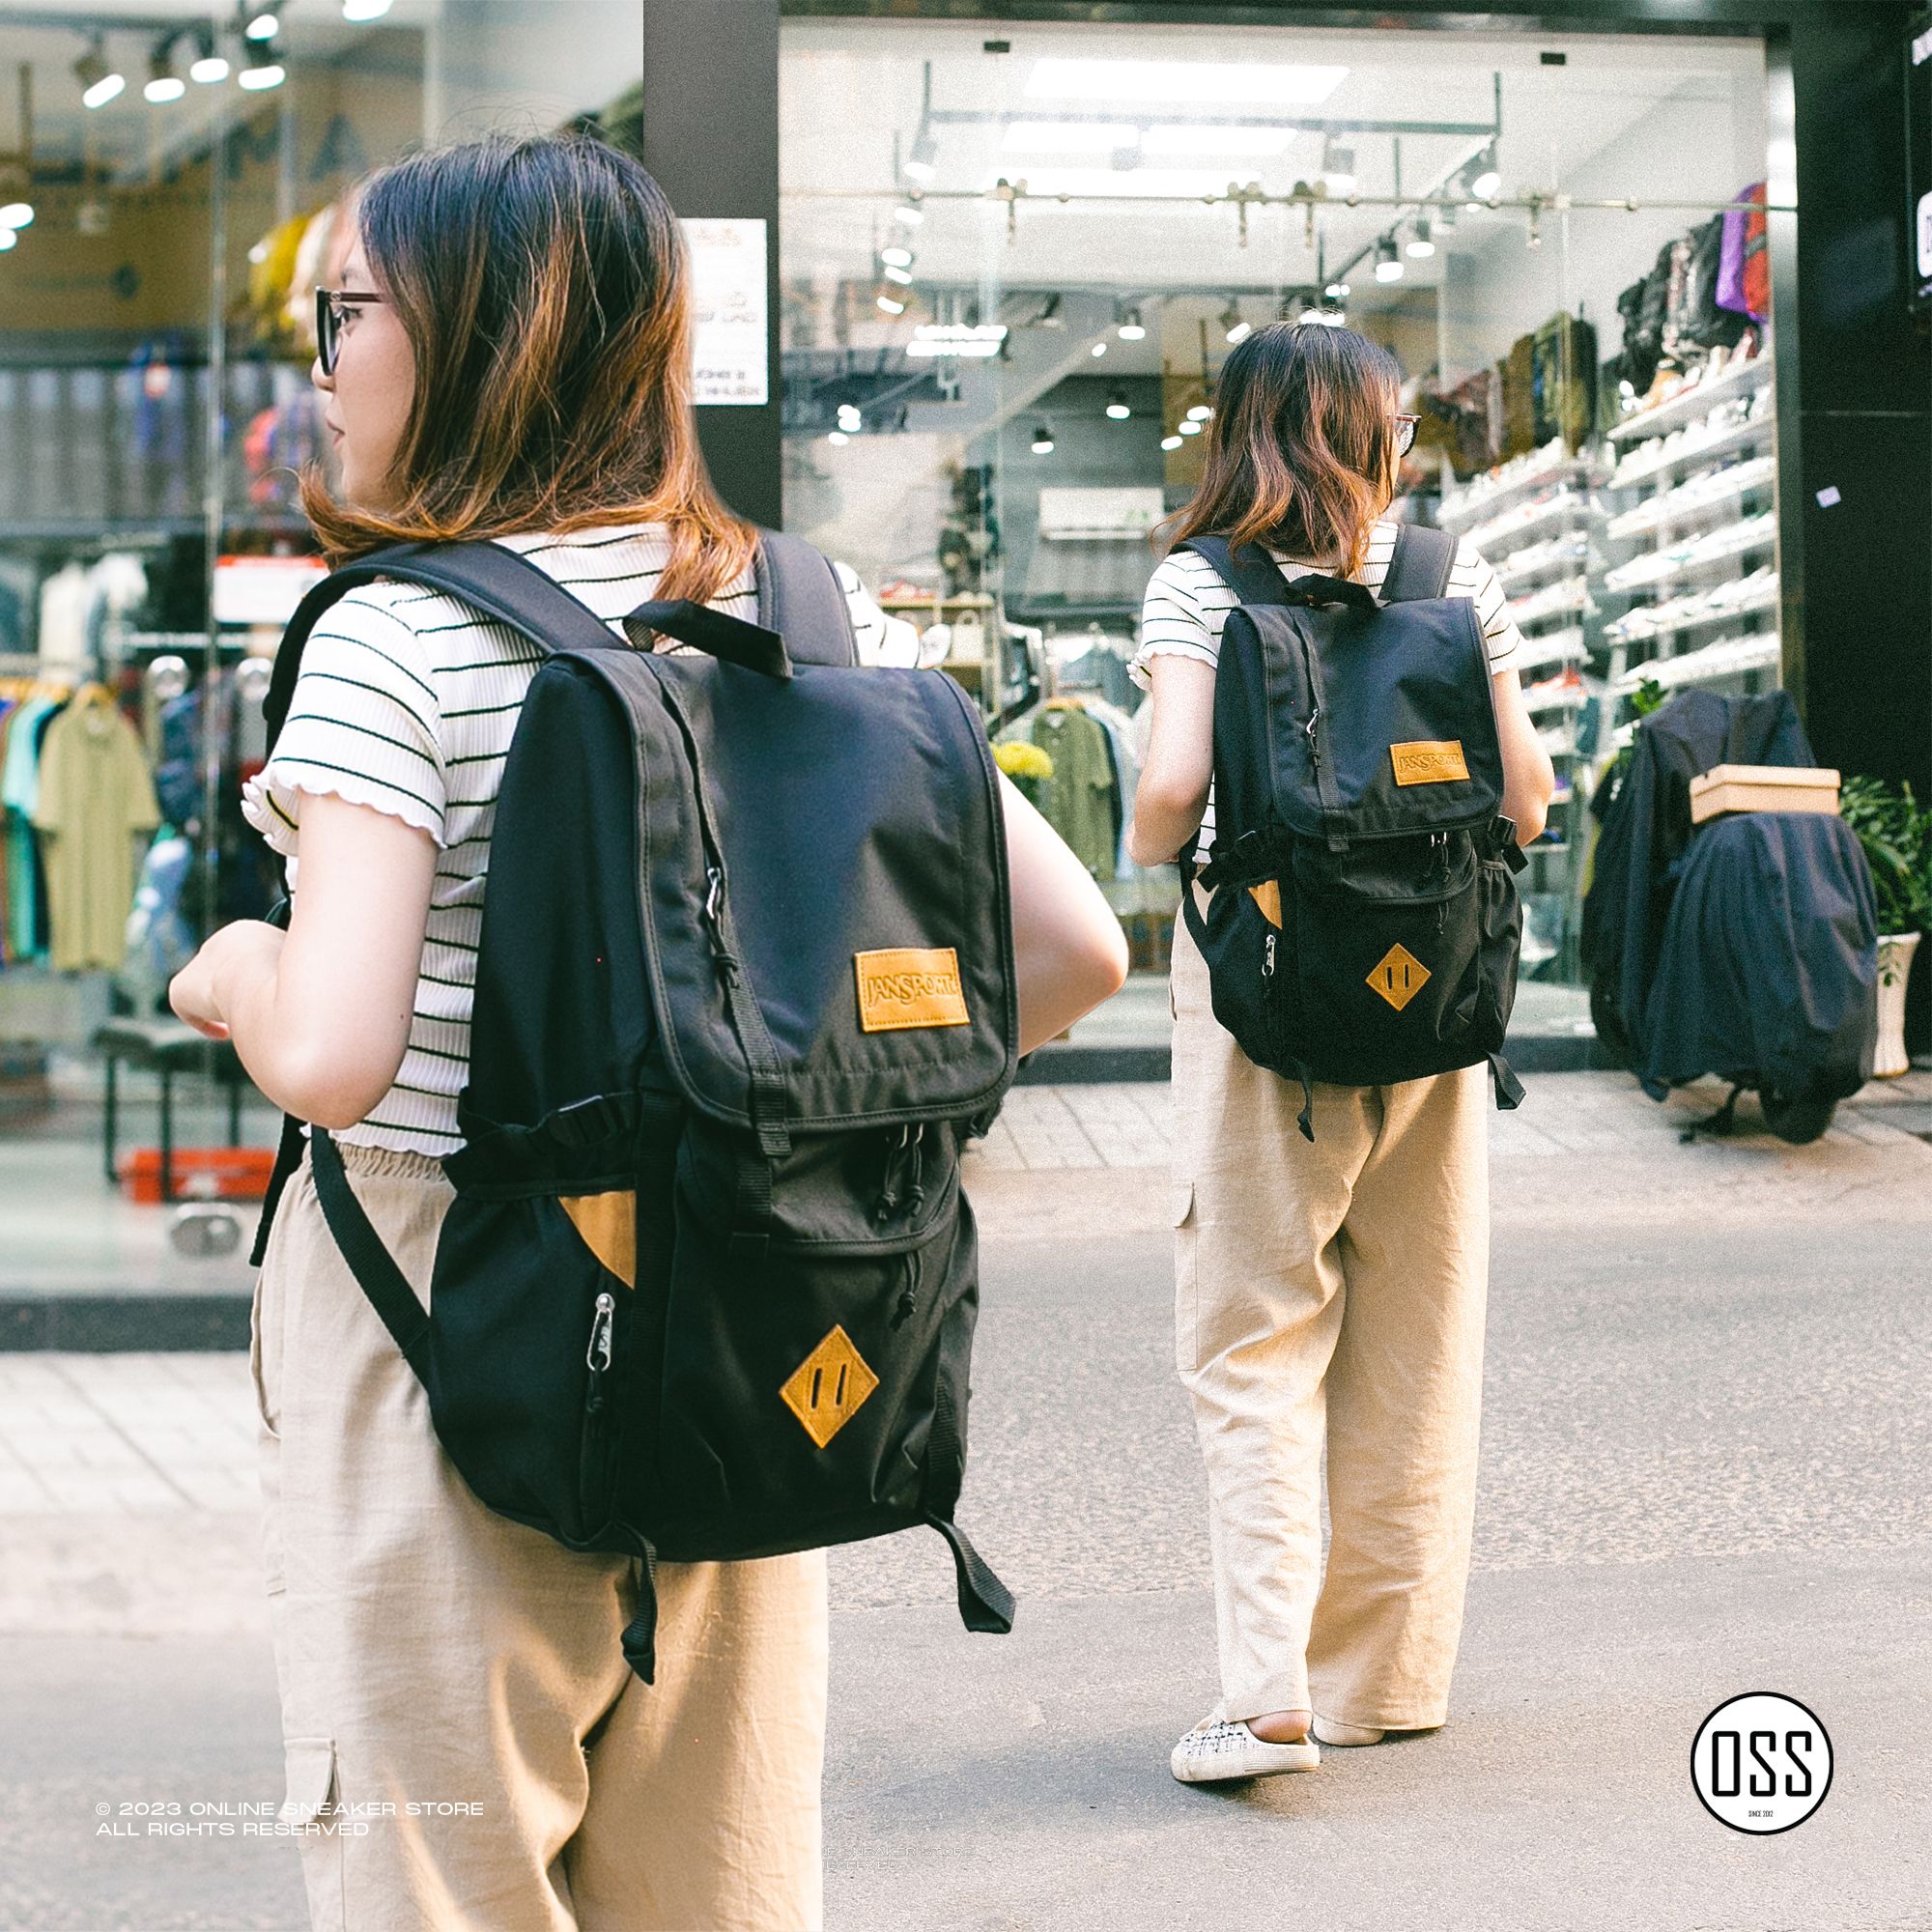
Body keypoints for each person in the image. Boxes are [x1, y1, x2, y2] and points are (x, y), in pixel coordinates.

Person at [167, 132, 1126, 1931]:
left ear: (470, 334)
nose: (322, 364)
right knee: (715, 1877)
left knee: (439, 1870)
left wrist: (227, 963)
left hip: (443, 1299)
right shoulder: (799, 611)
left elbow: (329, 1055)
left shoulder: (393, 639)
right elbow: (1069, 949)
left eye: (343, 313)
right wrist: (803, 1091)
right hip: (752, 1280)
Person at [1127, 321, 1554, 1785]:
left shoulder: (1206, 584)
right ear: (1374, 433)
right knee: (1417, 1348)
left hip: (1266, 1008)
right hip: (1432, 1003)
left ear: (1241, 433)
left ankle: (1265, 1695)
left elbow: (1170, 790)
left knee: (1254, 1339)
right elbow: (1533, 800)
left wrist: (1154, 841)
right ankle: (1384, 1682)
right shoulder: (1451, 575)